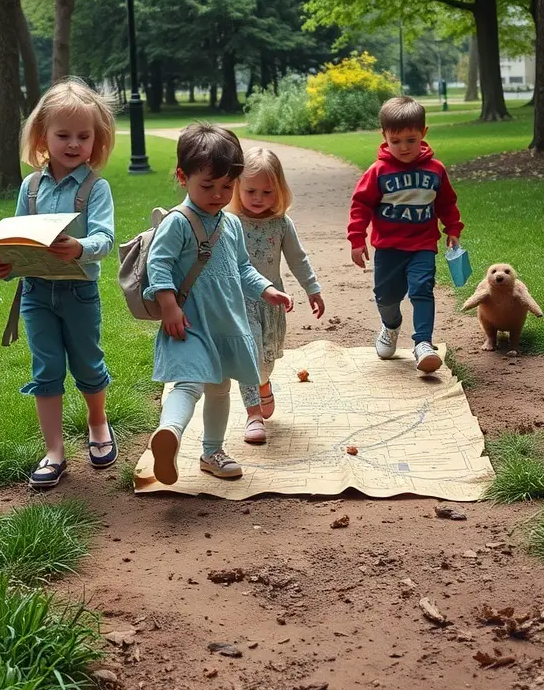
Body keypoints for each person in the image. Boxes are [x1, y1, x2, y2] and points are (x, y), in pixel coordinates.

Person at [146, 125, 292, 484]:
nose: (218, 195)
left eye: (227, 187)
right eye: (207, 186)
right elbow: (158, 264)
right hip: (190, 323)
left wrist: (266, 289)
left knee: (220, 389)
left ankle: (212, 452)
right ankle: (170, 434)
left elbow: (243, 267)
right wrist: (168, 306)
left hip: (226, 323)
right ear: (183, 177)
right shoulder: (178, 222)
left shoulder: (230, 224)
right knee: (189, 385)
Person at [0, 78, 117, 489]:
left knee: (87, 363)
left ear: (96, 140)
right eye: (63, 135)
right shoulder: (30, 187)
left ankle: (98, 424)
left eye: (84, 136)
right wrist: (6, 263)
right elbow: (16, 237)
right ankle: (54, 450)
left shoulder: (96, 188)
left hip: (79, 294)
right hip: (36, 295)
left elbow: (106, 238)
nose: (74, 144)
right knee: (46, 369)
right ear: (43, 135)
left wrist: (79, 246)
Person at [347, 96, 463, 373]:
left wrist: (453, 228)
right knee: (386, 297)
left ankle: (423, 343)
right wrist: (356, 238)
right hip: (388, 248)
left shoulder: (435, 170)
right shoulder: (378, 172)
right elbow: (360, 204)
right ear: (384, 136)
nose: (403, 147)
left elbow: (446, 202)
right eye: (395, 140)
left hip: (422, 245)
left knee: (422, 289)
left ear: (423, 133)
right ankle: (390, 326)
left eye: (411, 140)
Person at [229, 148, 325, 443]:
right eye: (251, 190)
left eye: (267, 191)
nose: (258, 198)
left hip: (272, 303)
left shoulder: (281, 224)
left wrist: (312, 288)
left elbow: (297, 258)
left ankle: (264, 384)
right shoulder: (230, 221)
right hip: (239, 301)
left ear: (279, 190)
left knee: (266, 356)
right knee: (249, 354)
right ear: (237, 188)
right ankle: (252, 414)